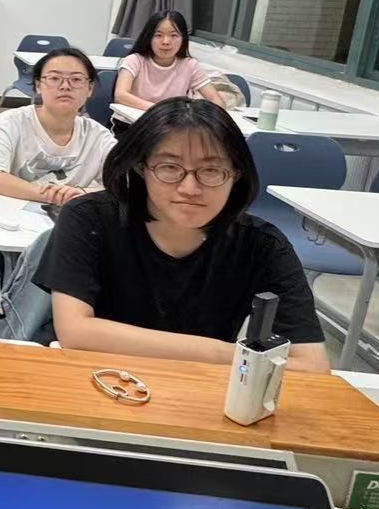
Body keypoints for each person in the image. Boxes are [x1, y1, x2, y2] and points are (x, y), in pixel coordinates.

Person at [36, 99, 329, 372]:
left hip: (192, 388)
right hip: (90, 375)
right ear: (141, 168)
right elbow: (76, 332)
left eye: (211, 170)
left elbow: (312, 365)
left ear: (236, 175)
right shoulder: (89, 218)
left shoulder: (262, 246)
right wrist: (232, 354)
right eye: (169, 168)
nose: (189, 188)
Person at [0, 47, 113, 206]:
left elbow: (124, 184)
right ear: (38, 86)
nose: (65, 86)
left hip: (71, 215)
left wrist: (82, 194)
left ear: (90, 88)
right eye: (54, 78)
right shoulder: (12, 121)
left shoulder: (99, 136)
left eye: (76, 79)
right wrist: (52, 196)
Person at [114, 10, 225, 110]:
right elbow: (120, 95)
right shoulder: (135, 60)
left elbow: (215, 100)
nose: (166, 41)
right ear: (149, 37)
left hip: (171, 124)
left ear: (183, 39)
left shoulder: (190, 65)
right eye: (158, 35)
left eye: (174, 35)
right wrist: (161, 111)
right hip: (132, 123)